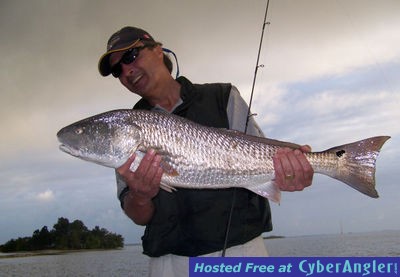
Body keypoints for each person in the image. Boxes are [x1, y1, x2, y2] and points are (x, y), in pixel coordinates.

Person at [98, 26, 314, 276]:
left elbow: (269, 161)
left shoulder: (222, 96)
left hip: (240, 252)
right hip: (169, 261)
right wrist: (141, 195)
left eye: (130, 56)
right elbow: (137, 214)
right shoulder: (124, 131)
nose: (126, 70)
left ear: (158, 50)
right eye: (117, 70)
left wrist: (294, 172)